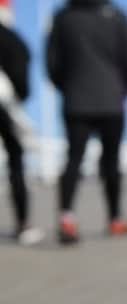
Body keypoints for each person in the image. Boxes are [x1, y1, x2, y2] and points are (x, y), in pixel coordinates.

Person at [46, 0, 127, 245]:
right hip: (111, 100)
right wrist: (121, 91)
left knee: (73, 158)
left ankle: (67, 218)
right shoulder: (117, 16)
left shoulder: (63, 17)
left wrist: (68, 88)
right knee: (111, 161)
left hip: (75, 100)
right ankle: (114, 218)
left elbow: (52, 63)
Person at [0, 0, 44, 245]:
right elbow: (21, 68)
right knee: (16, 160)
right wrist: (20, 94)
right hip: (3, 107)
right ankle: (23, 223)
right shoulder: (10, 38)